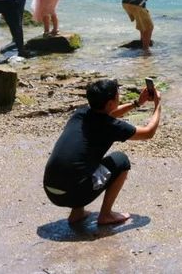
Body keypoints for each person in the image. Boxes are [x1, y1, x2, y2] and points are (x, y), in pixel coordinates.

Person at [43, 79, 161, 225]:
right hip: (73, 194)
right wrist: (158, 105)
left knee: (80, 160)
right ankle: (106, 215)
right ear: (110, 103)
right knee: (121, 160)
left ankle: (77, 213)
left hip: (51, 190)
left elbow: (110, 114)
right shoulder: (110, 126)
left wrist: (136, 103)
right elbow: (148, 132)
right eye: (118, 96)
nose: (119, 97)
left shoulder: (80, 114)